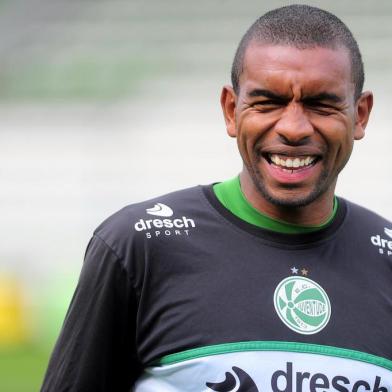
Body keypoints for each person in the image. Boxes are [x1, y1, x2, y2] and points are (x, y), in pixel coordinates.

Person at [41, 5, 392, 391]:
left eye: (321, 104)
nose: (293, 128)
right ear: (231, 110)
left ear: (360, 115)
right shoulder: (137, 245)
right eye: (267, 102)